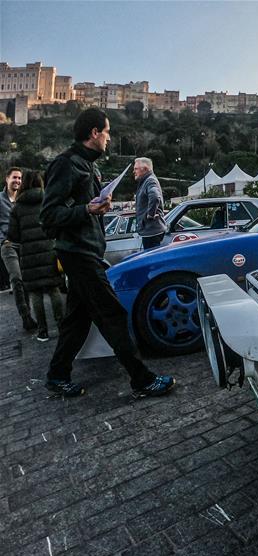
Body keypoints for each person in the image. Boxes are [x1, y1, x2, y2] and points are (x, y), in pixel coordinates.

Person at [41, 107, 176, 398]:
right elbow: (48, 215)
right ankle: (141, 379)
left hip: (87, 250)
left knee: (77, 319)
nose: (109, 139)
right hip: (77, 253)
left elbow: (85, 209)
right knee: (112, 313)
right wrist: (88, 208)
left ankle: (57, 374)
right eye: (107, 132)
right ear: (94, 133)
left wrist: (101, 205)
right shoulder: (66, 164)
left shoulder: (91, 167)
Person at [6, 171, 65, 342]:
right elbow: (55, 224)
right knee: (54, 289)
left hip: (29, 257)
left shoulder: (17, 207)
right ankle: (61, 326)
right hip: (49, 251)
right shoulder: (47, 200)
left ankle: (43, 331)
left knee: (36, 293)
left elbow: (13, 235)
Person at [1, 166, 38, 329]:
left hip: (25, 245)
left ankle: (29, 313)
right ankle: (26, 316)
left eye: (20, 178)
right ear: (7, 179)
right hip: (8, 245)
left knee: (27, 281)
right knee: (16, 278)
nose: (17, 180)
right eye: (14, 177)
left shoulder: (24, 199)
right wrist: (2, 240)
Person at [132, 157, 167, 249]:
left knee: (153, 261)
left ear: (145, 169)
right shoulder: (147, 181)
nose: (133, 171)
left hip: (152, 231)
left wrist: (150, 214)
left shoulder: (150, 181)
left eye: (136, 169)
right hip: (151, 231)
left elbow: (155, 196)